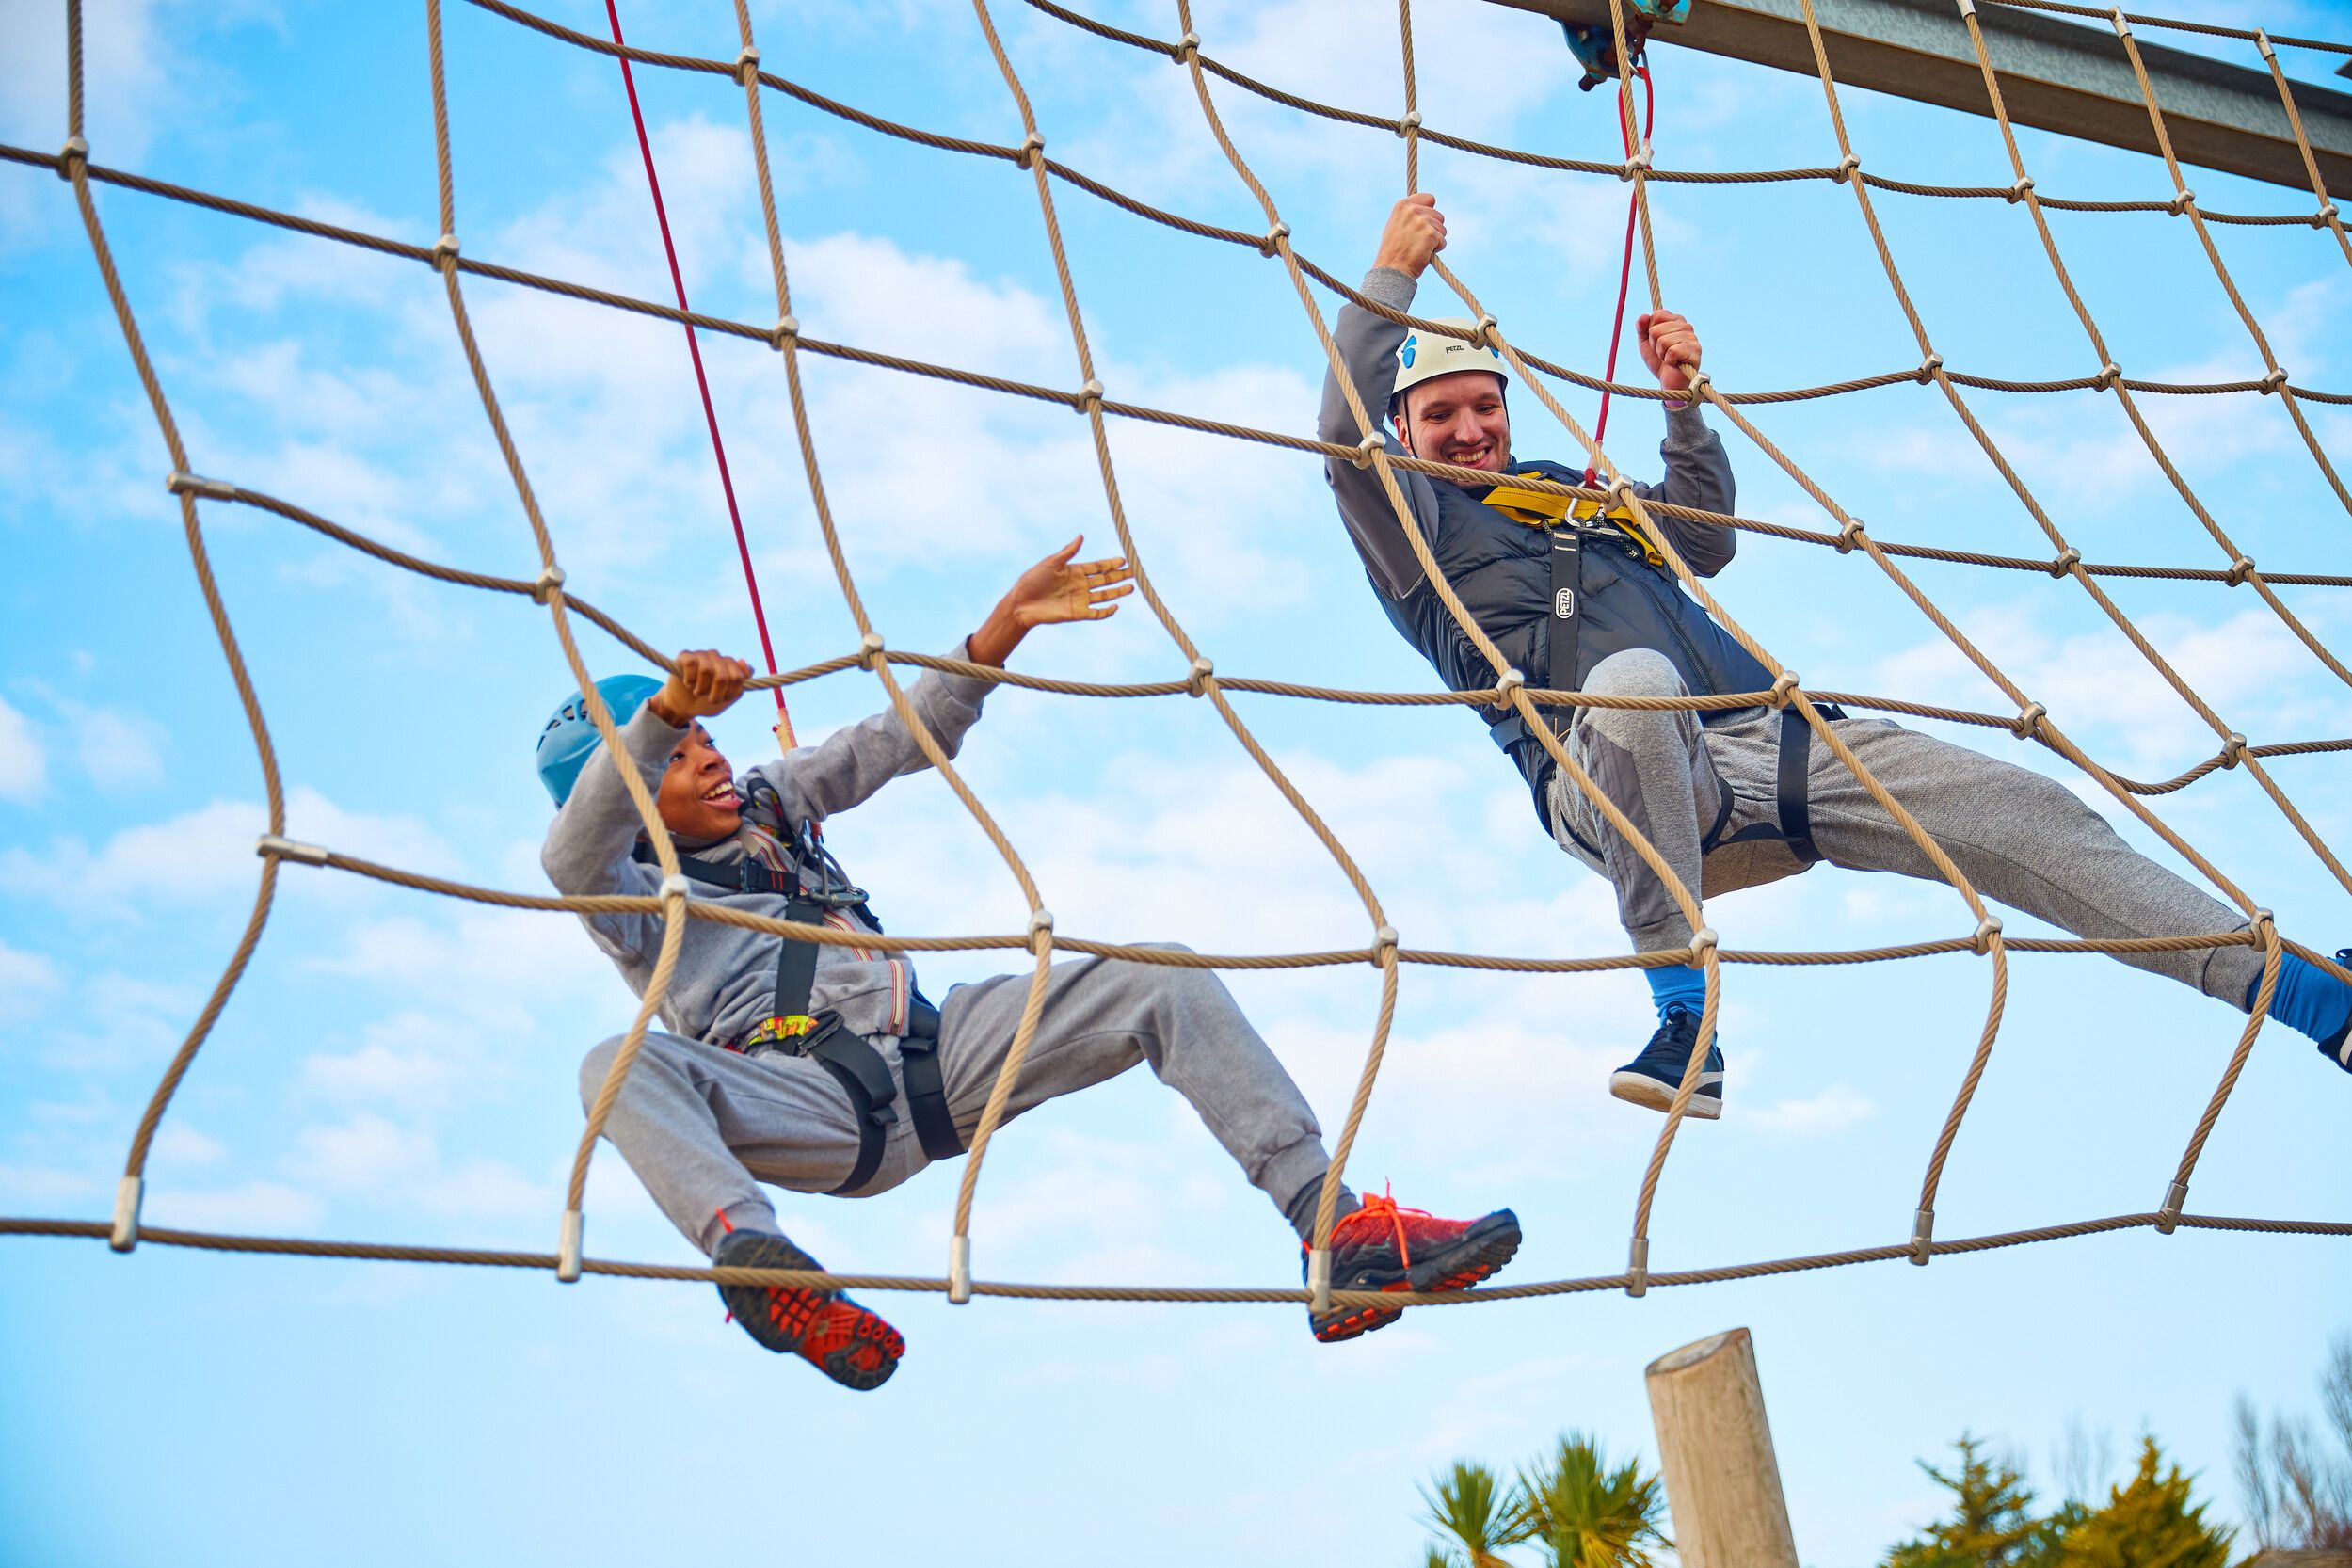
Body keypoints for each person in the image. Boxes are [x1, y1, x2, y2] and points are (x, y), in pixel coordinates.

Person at [1318, 193, 2352, 1121]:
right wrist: (1391, 273)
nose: (1468, 430)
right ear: (1402, 428)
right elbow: (1339, 429)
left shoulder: (1568, 495)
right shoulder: (1414, 532)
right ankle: (1686, 1025)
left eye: (1484, 406)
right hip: (1617, 779)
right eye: (1438, 414)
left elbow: (1705, 541)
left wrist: (1681, 407)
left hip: (1775, 745)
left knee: (2031, 814)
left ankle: (2323, 1005)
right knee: (1632, 688)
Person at [538, 537, 1522, 1388]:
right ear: (627, 790)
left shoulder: (772, 803)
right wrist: (657, 715)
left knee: (1160, 974)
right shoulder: (632, 897)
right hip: (804, 1103)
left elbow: (899, 736)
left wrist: (1004, 625)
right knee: (612, 1066)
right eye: (674, 757)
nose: (708, 757)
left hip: (931, 1061)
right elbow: (572, 856)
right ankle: (758, 1261)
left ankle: (1331, 1229)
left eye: (707, 737)